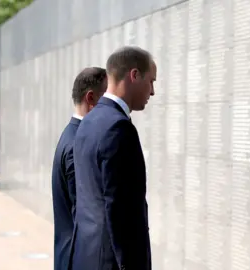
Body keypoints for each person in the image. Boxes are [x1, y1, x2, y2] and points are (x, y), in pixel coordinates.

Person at [72, 46, 156, 270]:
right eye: (151, 81)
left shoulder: (88, 121)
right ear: (134, 75)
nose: (153, 91)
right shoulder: (118, 127)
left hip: (86, 256)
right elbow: (121, 211)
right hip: (111, 262)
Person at [51, 67, 108, 270]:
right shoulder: (78, 144)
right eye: (106, 99)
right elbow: (85, 218)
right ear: (91, 98)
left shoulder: (72, 135)